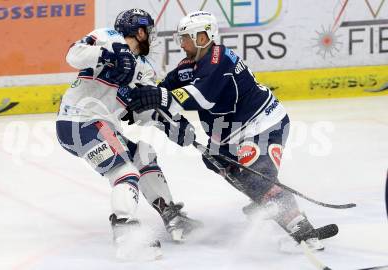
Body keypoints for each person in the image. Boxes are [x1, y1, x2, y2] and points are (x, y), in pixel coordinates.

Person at [128, 10, 332, 251]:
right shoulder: (189, 65)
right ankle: (264, 197)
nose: (181, 44)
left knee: (257, 173)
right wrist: (143, 103)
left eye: (185, 38)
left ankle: (303, 230)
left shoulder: (220, 59)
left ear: (202, 38)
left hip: (264, 124)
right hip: (231, 132)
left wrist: (160, 96)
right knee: (216, 161)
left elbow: (202, 98)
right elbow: (165, 90)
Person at [55, 8, 201, 259]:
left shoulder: (144, 68)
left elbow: (141, 112)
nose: (151, 38)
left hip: (102, 126)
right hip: (78, 121)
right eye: (149, 32)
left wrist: (172, 125)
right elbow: (73, 55)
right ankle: (126, 234)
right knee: (125, 171)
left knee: (144, 155)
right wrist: (110, 51)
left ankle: (171, 216)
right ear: (140, 31)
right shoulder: (107, 37)